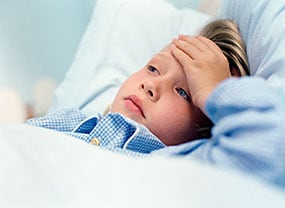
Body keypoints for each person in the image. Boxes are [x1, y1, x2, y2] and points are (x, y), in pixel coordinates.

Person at [26, 19, 285, 185]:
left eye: (183, 92)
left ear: (206, 127)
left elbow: (271, 150)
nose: (151, 86)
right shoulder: (75, 121)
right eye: (153, 69)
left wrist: (216, 91)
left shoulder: (188, 165)